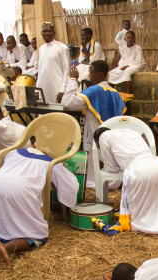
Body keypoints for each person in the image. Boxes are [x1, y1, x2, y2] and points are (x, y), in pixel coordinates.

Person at [0, 147, 79, 266]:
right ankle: (7, 247)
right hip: (18, 191)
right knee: (36, 234)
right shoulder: (50, 162)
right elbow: (71, 185)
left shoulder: (14, 153)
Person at [62, 60, 125, 188]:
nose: (89, 76)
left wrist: (73, 80)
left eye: (91, 73)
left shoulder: (94, 90)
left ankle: (94, 182)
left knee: (93, 164)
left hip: (94, 135)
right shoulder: (115, 92)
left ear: (100, 75)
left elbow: (67, 102)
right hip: (110, 137)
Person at [36, 22, 70, 103]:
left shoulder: (62, 48)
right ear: (41, 33)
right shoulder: (41, 48)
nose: (46, 33)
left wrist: (62, 89)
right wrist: (37, 89)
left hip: (57, 88)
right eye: (44, 31)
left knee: (57, 114)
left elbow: (66, 70)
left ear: (54, 33)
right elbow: (40, 71)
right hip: (43, 89)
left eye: (49, 31)